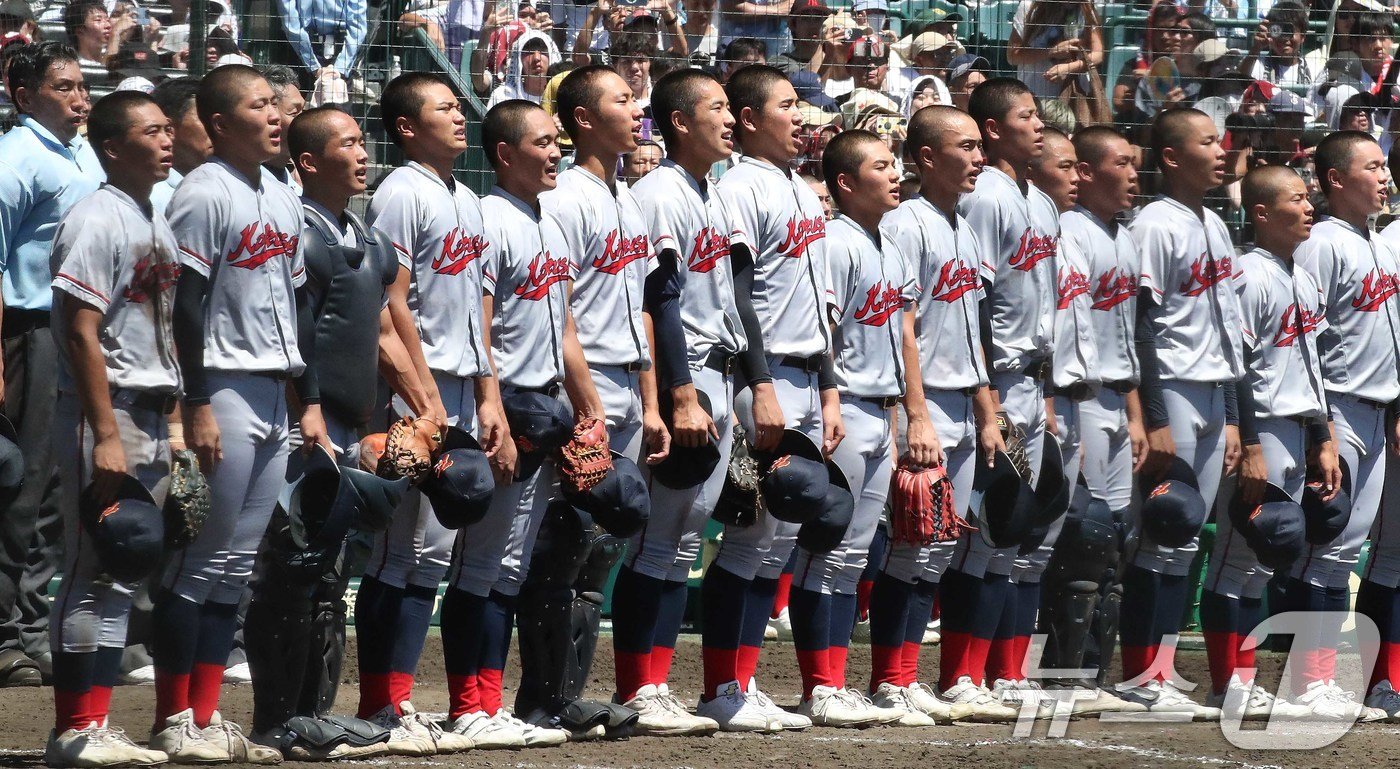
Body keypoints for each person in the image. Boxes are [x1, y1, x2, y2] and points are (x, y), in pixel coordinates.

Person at [241, 105, 434, 758]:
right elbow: (287, 331)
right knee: (293, 571)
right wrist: (309, 413)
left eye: (362, 140)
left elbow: (384, 333)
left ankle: (314, 712)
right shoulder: (297, 231)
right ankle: (278, 719)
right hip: (304, 427)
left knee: (330, 575)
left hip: (352, 426)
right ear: (307, 162)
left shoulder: (369, 237)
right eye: (347, 142)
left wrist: (426, 402)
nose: (362, 150)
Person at [153, 64, 325, 764]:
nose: (276, 116)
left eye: (276, 105)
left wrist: (307, 400)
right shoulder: (203, 192)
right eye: (259, 106)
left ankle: (205, 714)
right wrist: (192, 401)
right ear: (220, 124)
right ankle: (172, 719)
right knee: (197, 565)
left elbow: (300, 307)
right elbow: (183, 305)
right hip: (219, 385)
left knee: (234, 567)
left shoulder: (283, 193)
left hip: (273, 390)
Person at [356, 71, 509, 752]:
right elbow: (391, 303)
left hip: (455, 385)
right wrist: (422, 397)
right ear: (408, 127)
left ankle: (400, 700)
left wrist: (484, 392)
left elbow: (478, 308)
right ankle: (379, 705)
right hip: (412, 389)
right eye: (442, 108)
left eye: (458, 105)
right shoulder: (398, 193)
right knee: (399, 553)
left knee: (433, 557)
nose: (458, 116)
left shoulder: (468, 199)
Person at [436, 98, 596, 748]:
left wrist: (587, 408)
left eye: (558, 140)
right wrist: (489, 408)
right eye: (543, 142)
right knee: (478, 565)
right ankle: (465, 702)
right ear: (505, 154)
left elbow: (564, 329)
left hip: (545, 406)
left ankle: (489, 700)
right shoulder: (489, 219)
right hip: (504, 407)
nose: (555, 151)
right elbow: (479, 325)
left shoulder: (550, 223)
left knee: (508, 566)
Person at [698, 64, 841, 733]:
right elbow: (743, 295)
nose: (801, 118)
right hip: (767, 378)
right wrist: (758, 385)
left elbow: (816, 303)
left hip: (806, 375)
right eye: (789, 106)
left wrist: (830, 388)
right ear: (749, 118)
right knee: (750, 535)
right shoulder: (743, 186)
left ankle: (744, 682)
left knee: (777, 542)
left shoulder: (798, 188)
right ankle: (722, 685)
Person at [523, 63, 665, 737]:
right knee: (565, 541)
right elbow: (562, 310)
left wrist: (651, 399)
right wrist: (586, 404)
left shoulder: (628, 197)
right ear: (583, 117)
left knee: (603, 546)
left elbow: (638, 309)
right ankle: (537, 697)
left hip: (626, 382)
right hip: (583, 384)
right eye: (621, 99)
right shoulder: (567, 197)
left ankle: (567, 696)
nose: (637, 109)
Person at [610, 68, 745, 737]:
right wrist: (680, 393)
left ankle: (657, 684)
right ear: (681, 121)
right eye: (718, 107)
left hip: (714, 372)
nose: (731, 117)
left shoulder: (708, 190)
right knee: (656, 543)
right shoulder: (662, 191)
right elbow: (659, 297)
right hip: (683, 376)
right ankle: (639, 688)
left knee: (683, 540)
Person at [44, 90, 177, 769]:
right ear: (114, 146)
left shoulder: (151, 214)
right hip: (110, 407)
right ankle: (71, 728)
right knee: (90, 564)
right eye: (150, 131)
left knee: (124, 570)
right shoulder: (96, 217)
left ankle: (95, 722)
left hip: (150, 406)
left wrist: (176, 418)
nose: (166, 139)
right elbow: (79, 328)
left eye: (166, 128)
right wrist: (104, 431)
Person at [789, 128, 923, 728]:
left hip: (880, 409)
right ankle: (822, 687)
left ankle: (838, 682)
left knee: (854, 556)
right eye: (881, 166)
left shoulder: (890, 246)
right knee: (829, 547)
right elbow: (822, 335)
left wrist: (900, 417)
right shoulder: (833, 243)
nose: (895, 174)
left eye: (895, 164)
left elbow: (898, 341)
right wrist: (830, 404)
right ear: (845, 182)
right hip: (842, 408)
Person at [873, 103, 999, 722]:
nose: (979, 157)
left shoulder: (963, 225)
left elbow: (973, 329)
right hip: (924, 406)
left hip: (962, 400)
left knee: (940, 549)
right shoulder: (907, 223)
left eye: (980, 146)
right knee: (911, 544)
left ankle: (912, 678)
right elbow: (904, 328)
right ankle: (891, 680)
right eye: (967, 147)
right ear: (927, 157)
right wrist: (914, 415)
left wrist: (987, 408)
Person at [1200, 165, 1336, 721]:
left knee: (1262, 562)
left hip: (1295, 426)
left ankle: (1245, 678)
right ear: (1260, 212)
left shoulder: (1301, 275)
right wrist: (1249, 440)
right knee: (1237, 559)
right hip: (1263, 429)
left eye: (1309, 198)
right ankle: (1225, 682)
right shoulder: (1248, 275)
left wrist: (1321, 434)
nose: (1310, 208)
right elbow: (1235, 368)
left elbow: (1313, 367)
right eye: (1297, 199)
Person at [1119, 107, 1241, 720]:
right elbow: (1141, 324)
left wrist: (1237, 415)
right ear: (1171, 156)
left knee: (1185, 539)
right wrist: (1157, 411)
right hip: (1175, 388)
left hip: (1214, 390)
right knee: (1162, 533)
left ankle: (1161, 671)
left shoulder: (1215, 223)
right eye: (1207, 142)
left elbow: (1230, 331)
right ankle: (1143, 673)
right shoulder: (1154, 225)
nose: (1222, 151)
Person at [946, 77, 1054, 720]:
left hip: (1030, 379)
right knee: (985, 531)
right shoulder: (986, 196)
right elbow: (975, 301)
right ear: (991, 129)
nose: (1037, 126)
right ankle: (963, 676)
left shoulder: (1034, 198)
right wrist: (990, 393)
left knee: (1013, 532)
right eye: (1025, 116)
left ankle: (996, 673)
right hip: (997, 378)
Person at [0, 40, 103, 690]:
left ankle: (32, 630)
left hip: (78, 331)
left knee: (55, 490)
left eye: (82, 85)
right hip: (31, 332)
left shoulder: (80, 151)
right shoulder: (15, 158)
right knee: (23, 486)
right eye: (63, 87)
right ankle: (8, 635)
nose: (80, 97)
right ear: (23, 95)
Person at [1291, 131, 1399, 722]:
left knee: (1345, 550)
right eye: (1372, 167)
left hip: (1378, 409)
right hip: (1340, 408)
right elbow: (1303, 339)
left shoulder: (1376, 241)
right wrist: (1321, 426)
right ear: (1336, 179)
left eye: (1385, 166)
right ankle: (1311, 680)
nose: (1384, 177)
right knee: (1326, 547)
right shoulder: (1324, 244)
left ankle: (1324, 679)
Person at [1052, 125, 1144, 711]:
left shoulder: (1125, 236)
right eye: (1122, 163)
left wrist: (1135, 412)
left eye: (1137, 163)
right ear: (1085, 171)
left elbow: (1128, 337)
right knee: (1082, 542)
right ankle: (1061, 677)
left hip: (1115, 397)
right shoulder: (1070, 232)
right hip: (1080, 397)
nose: (1134, 173)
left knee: (1116, 542)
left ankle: (1094, 675)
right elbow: (1074, 330)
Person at [1016, 127, 1102, 716]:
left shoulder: (1074, 234)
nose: (1079, 177)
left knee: (1058, 542)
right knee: (1012, 537)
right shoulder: (1024, 222)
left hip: (1073, 397)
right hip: (1030, 393)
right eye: (1067, 166)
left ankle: (1042, 672)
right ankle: (994, 672)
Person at [1007, 0, 1104, 101]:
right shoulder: (1029, 5)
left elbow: (1098, 54)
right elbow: (1012, 56)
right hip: (1036, 94)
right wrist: (1051, 52)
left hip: (1074, 96)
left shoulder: (1087, 6)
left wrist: (1069, 68)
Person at [150, 77, 211, 214]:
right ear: (169, 128)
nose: (216, 127)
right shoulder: (152, 197)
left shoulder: (235, 182)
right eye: (204, 118)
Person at [275, 0, 367, 86]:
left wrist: (340, 68)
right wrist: (314, 66)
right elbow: (291, 24)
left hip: (341, 48)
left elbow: (357, 28)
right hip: (297, 50)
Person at [1239, 2, 1324, 91]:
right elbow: (1238, 83)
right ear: (1269, 32)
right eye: (1278, 31)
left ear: (1303, 36)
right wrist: (1256, 48)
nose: (1284, 39)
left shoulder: (1314, 70)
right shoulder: (1257, 65)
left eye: (1289, 31)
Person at [257, 64, 305, 190]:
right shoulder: (252, 186)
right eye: (294, 113)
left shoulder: (296, 187)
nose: (304, 120)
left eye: (303, 111)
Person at [770, 0, 835, 78]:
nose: (813, 25)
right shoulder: (779, 63)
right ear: (792, 25)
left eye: (818, 18)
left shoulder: (835, 57)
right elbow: (807, 84)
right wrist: (826, 51)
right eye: (806, 18)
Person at [63, 0, 110, 67]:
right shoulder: (69, 65)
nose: (108, 25)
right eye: (98, 20)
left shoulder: (116, 53)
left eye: (107, 20)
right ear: (79, 31)